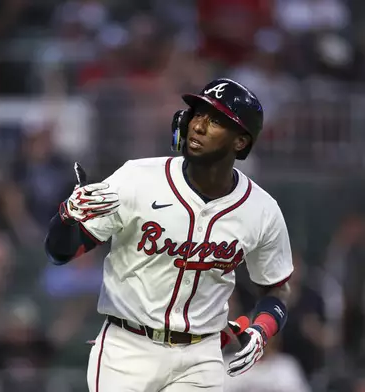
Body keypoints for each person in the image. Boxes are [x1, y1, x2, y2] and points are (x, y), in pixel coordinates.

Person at [44, 78, 294, 391]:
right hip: (128, 348)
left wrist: (262, 329)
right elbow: (59, 252)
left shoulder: (261, 210)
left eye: (215, 120)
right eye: (197, 114)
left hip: (201, 356)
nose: (198, 126)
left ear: (240, 142)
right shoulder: (137, 179)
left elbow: (276, 288)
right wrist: (68, 217)